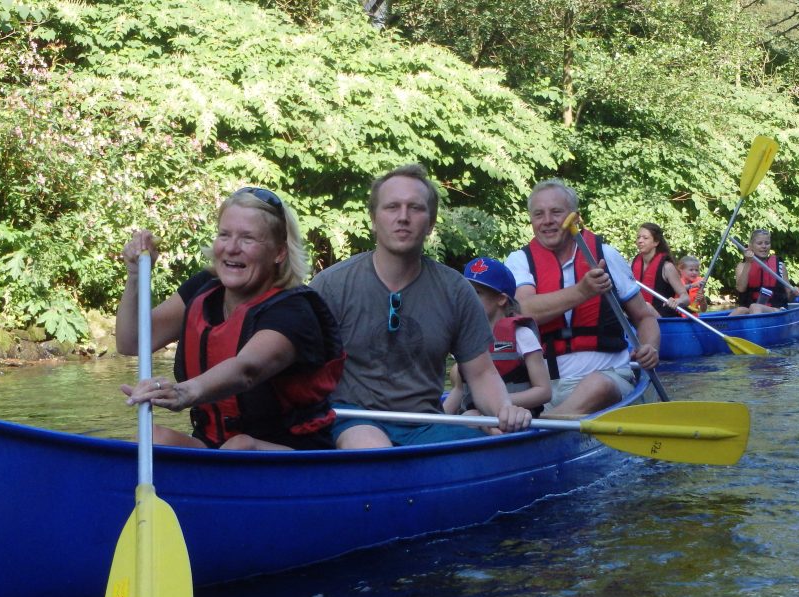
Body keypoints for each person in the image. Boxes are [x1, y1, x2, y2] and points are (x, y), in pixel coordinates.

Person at [309, 164, 533, 449]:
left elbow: (481, 373)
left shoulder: (456, 290)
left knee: (480, 448)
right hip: (352, 419)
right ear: (374, 220)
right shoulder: (331, 285)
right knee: (372, 446)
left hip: (426, 425)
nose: (403, 217)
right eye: (392, 207)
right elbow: (301, 369)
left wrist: (504, 409)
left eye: (415, 208)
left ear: (430, 223)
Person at [116, 187, 345, 450]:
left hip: (291, 455)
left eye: (248, 238)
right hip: (216, 448)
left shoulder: (295, 311)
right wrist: (135, 275)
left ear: (279, 252)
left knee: (240, 446)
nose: (232, 248)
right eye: (224, 235)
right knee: (154, 438)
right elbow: (131, 341)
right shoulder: (204, 289)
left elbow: (247, 369)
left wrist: (184, 392)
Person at [504, 178, 660, 416]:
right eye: (539, 214)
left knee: (597, 386)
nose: (547, 221)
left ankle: (545, 424)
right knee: (489, 398)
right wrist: (582, 291)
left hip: (607, 378)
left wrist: (650, 347)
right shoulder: (519, 261)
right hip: (542, 388)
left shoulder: (605, 255)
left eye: (556, 212)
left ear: (575, 217)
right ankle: (542, 423)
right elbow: (523, 310)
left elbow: (644, 317)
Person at [443, 256, 552, 419]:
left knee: (473, 415)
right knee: (471, 415)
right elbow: (459, 390)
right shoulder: (465, 338)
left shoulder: (522, 335)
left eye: (477, 293)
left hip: (516, 417)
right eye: (466, 292)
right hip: (475, 417)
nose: (467, 299)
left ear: (501, 299)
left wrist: (496, 404)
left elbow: (544, 392)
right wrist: (436, 421)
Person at [730, 229, 799, 315]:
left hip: (776, 310)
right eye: (759, 243)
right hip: (751, 310)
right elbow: (741, 288)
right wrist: (749, 262)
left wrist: (794, 293)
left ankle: (756, 327)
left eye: (767, 243)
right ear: (751, 246)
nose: (764, 246)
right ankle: (721, 327)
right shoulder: (742, 266)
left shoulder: (780, 266)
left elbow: (789, 297)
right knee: (740, 310)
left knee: (755, 307)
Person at [632, 222, 692, 317]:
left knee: (646, 307)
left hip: (663, 318)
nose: (640, 241)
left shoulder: (667, 267)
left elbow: (686, 298)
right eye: (638, 237)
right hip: (641, 317)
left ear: (656, 242)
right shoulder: (633, 263)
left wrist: (677, 301)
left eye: (645, 238)